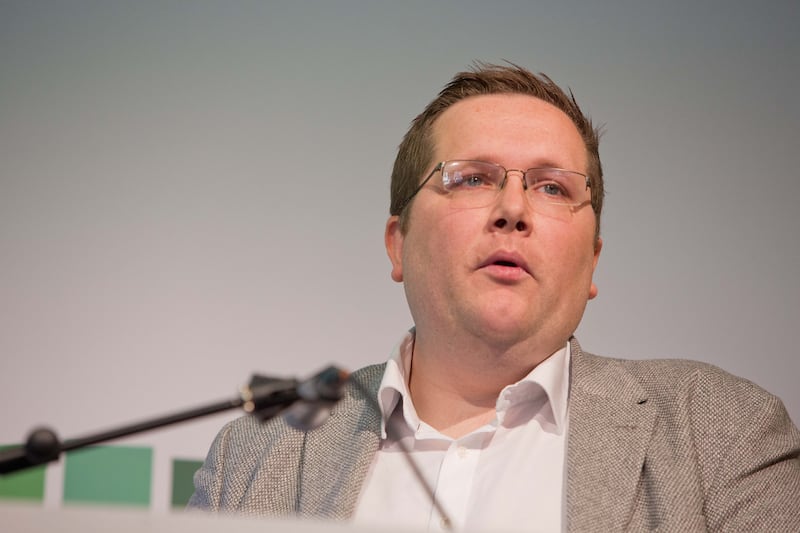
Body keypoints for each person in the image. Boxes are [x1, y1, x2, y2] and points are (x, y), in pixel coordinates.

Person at [188, 63, 800, 531]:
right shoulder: (255, 456)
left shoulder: (718, 433)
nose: (513, 209)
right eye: (472, 179)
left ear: (592, 261)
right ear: (398, 244)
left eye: (553, 188)